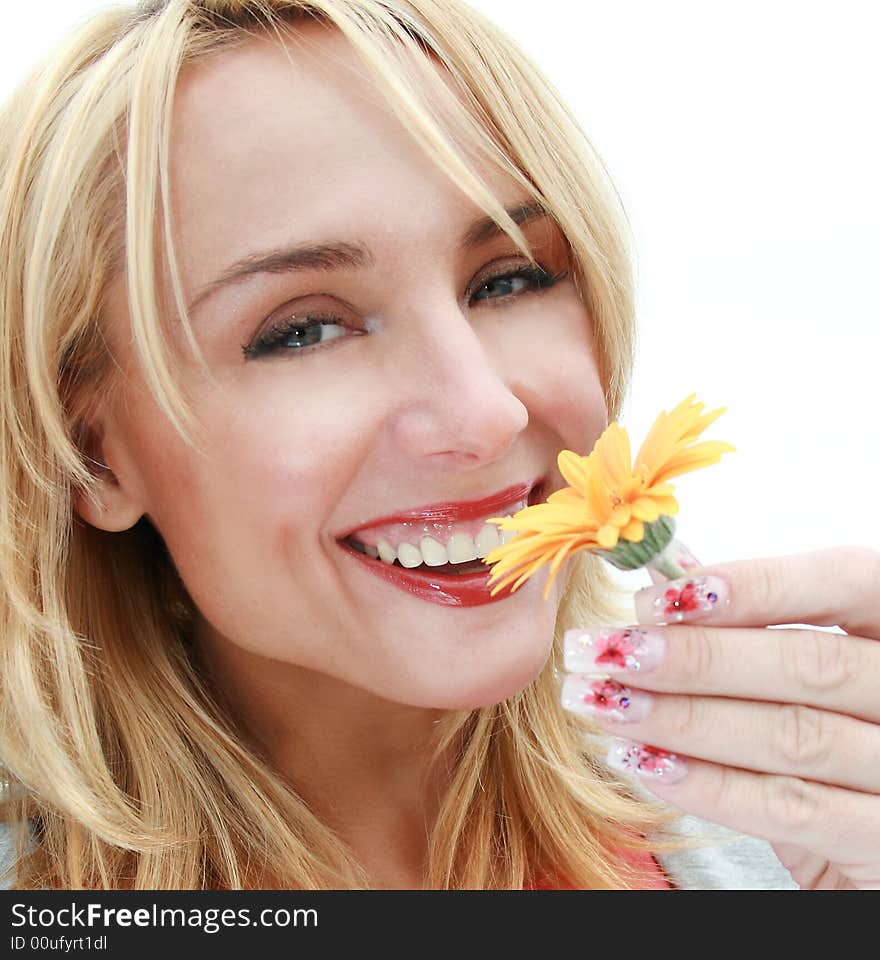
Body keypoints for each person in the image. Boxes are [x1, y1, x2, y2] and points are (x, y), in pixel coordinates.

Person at [0, 0, 875, 891]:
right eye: (303, 330)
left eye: (509, 279)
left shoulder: (798, 843)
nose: (484, 412)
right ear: (89, 452)